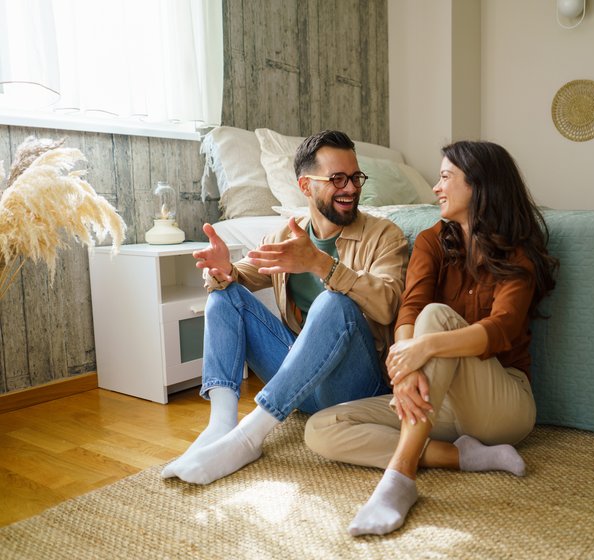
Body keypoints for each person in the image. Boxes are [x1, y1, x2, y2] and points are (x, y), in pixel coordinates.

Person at [304, 140, 559, 536]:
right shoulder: (431, 240)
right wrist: (406, 375)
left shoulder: (517, 254)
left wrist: (423, 348)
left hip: (501, 403)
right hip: (438, 403)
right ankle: (463, 457)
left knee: (436, 317)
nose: (436, 188)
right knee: (322, 427)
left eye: (445, 177)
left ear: (478, 185)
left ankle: (400, 477)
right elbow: (409, 308)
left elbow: (501, 329)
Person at [161, 130, 408, 485]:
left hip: (353, 388)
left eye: (356, 177)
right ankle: (221, 426)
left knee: (333, 303)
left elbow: (386, 306)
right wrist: (223, 270)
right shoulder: (283, 237)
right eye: (337, 179)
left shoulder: (384, 235)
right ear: (306, 186)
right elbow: (240, 275)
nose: (351, 188)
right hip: (301, 386)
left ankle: (249, 437)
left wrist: (321, 264)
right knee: (224, 296)